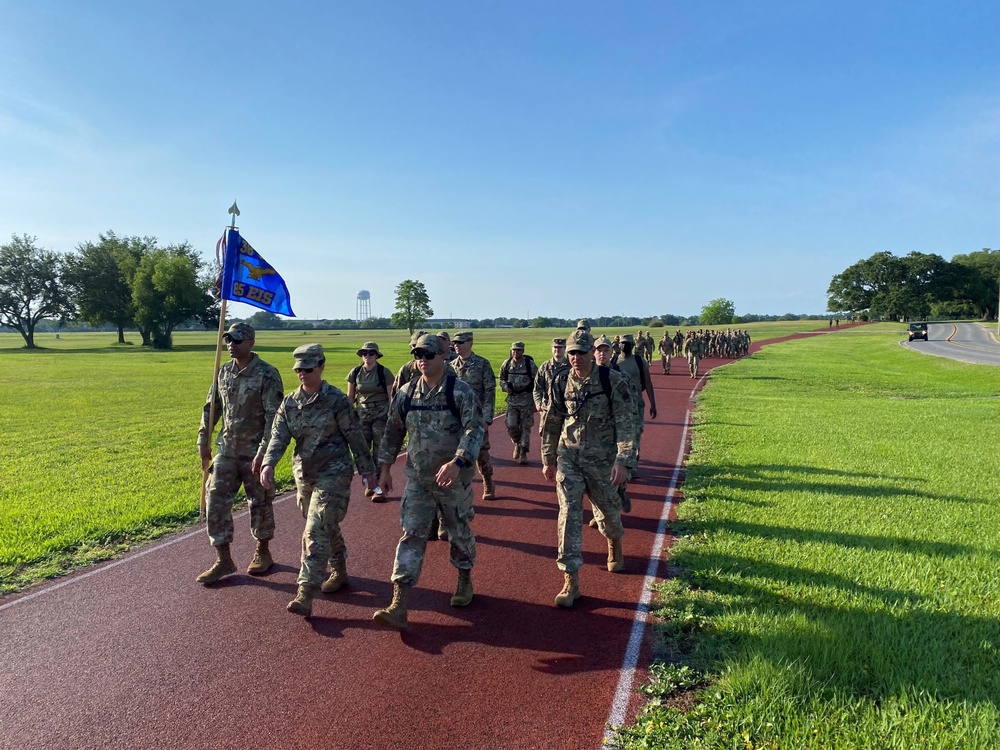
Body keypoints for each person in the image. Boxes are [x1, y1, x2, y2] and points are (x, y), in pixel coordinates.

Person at [372, 333, 485, 630]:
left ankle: (463, 579)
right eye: (417, 355)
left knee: (458, 532)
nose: (422, 360)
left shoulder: (459, 393)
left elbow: (474, 430)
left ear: (443, 356)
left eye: (428, 354)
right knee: (411, 535)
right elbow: (393, 432)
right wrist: (384, 468)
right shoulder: (407, 393)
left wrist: (458, 462)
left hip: (453, 480)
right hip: (418, 480)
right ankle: (399, 602)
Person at [260, 344, 376, 617]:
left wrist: (367, 470)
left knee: (315, 528)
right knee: (324, 525)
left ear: (321, 366)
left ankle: (305, 591)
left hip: (334, 472)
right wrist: (268, 463)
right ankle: (340, 568)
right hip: (305, 474)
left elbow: (355, 436)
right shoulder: (289, 402)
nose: (302, 374)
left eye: (308, 369)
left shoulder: (336, 400)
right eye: (298, 369)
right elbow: (279, 437)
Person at [541, 329, 635, 608]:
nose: (575, 358)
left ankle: (614, 540)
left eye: (581, 352)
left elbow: (626, 424)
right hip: (568, 457)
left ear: (591, 353)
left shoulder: (612, 381)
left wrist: (623, 460)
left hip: (603, 462)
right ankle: (571, 580)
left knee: (609, 514)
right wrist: (548, 458)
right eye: (571, 353)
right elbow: (552, 421)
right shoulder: (560, 382)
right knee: (569, 513)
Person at [196, 322, 284, 585]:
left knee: (259, 502)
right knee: (215, 499)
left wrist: (265, 452)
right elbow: (212, 408)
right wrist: (204, 437)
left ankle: (262, 551)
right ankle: (223, 558)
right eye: (228, 340)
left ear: (251, 342)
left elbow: (274, 417)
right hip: (227, 449)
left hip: (255, 451)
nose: (231, 344)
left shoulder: (267, 374)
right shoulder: (223, 372)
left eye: (237, 339)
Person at [450, 330, 497, 500]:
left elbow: (490, 392)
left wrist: (486, 418)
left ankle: (488, 480)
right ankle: (459, 488)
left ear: (470, 343)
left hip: (477, 417)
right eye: (455, 343)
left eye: (460, 342)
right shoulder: (451, 366)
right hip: (456, 419)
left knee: (481, 452)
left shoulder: (482, 364)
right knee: (456, 453)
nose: (457, 345)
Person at [346, 341, 392, 502]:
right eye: (365, 353)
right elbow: (350, 397)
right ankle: (370, 483)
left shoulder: (383, 372)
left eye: (371, 353)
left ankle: (379, 487)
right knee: (362, 451)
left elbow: (391, 397)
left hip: (381, 414)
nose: (367, 356)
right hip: (362, 414)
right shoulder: (356, 372)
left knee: (379, 451)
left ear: (376, 355)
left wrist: (393, 417)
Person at [615, 334, 657, 476]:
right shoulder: (614, 361)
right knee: (618, 436)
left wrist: (653, 404)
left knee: (636, 435)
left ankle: (632, 466)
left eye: (627, 344)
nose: (624, 346)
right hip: (618, 406)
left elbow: (648, 382)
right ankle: (619, 465)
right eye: (622, 343)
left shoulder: (640, 361)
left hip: (636, 404)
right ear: (618, 345)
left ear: (633, 346)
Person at [499, 341, 538, 464]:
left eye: (519, 350)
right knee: (511, 425)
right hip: (512, 400)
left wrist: (536, 400)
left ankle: (523, 452)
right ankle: (517, 443)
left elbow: (538, 381)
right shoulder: (507, 364)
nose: (516, 352)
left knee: (526, 428)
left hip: (526, 400)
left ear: (523, 351)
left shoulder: (529, 365)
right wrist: (505, 387)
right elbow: (502, 379)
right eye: (514, 350)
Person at [533, 337, 569, 436]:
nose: (557, 350)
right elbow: (537, 387)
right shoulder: (545, 367)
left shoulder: (571, 366)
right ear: (552, 349)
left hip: (566, 411)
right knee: (547, 446)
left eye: (560, 347)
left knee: (566, 444)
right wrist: (538, 402)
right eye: (555, 347)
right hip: (548, 410)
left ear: (565, 348)